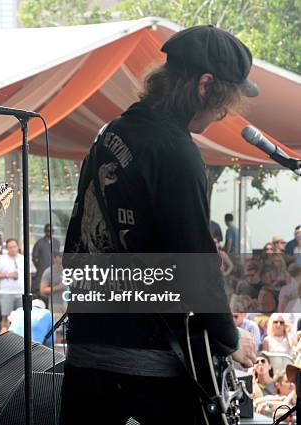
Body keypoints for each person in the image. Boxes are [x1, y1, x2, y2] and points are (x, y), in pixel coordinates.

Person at [60, 25, 257, 424]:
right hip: (147, 359)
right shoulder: (175, 151)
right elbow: (195, 265)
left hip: (87, 345)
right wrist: (230, 340)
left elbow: (75, 240)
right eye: (227, 100)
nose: (226, 113)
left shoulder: (110, 133)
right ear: (206, 86)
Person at [0, 239, 24, 332]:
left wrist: (28, 289)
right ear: (7, 249)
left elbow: (29, 275)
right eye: (10, 247)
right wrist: (7, 275)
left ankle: (20, 341)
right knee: (6, 317)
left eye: (14, 246)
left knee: (21, 318)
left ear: (18, 247)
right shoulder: (2, 259)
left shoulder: (23, 258)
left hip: (21, 292)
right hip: (6, 292)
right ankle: (3, 340)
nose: (13, 249)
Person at [31, 223, 61, 294]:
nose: (49, 232)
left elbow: (58, 256)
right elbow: (34, 258)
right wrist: (40, 266)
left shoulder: (57, 242)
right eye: (48, 230)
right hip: (42, 270)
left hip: (54, 271)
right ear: (45, 231)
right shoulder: (39, 243)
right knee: (42, 291)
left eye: (51, 231)